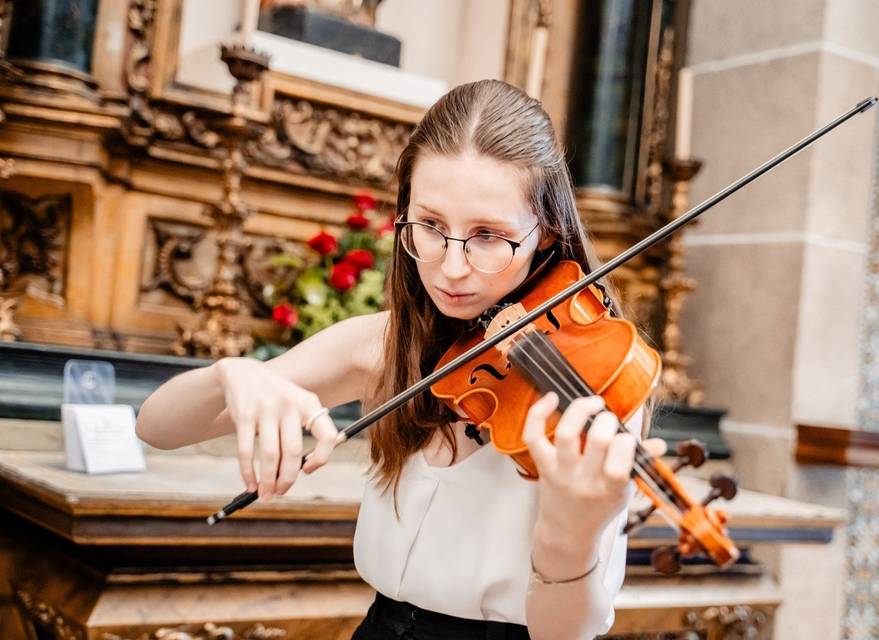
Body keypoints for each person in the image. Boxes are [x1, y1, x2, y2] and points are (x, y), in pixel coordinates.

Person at [136, 79, 665, 640]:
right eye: (431, 226)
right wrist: (234, 374)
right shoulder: (384, 345)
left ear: (547, 232)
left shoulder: (594, 380)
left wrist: (572, 535)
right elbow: (156, 426)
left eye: (489, 235)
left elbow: (568, 634)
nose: (451, 267)